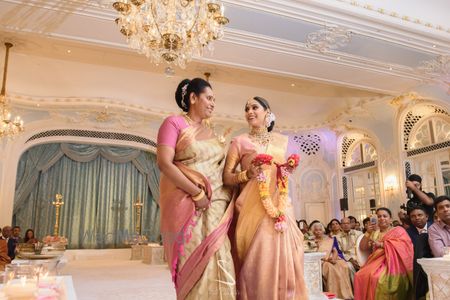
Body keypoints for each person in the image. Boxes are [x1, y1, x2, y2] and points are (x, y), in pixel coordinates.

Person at [157, 78, 235, 299]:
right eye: (209, 98)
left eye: (214, 100)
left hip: (216, 206)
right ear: (193, 98)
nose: (213, 104)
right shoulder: (173, 123)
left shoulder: (211, 133)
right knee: (194, 262)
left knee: (221, 257)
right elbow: (165, 163)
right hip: (188, 206)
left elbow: (220, 170)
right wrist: (197, 192)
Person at [223, 96, 307, 299]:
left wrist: (289, 169)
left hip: (280, 206)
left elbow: (282, 174)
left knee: (288, 255)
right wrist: (247, 174)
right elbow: (226, 177)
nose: (249, 111)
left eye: (254, 107)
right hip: (252, 209)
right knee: (258, 259)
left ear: (267, 112)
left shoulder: (281, 141)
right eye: (246, 108)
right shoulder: (239, 142)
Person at [354, 207, 413, 300]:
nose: (381, 218)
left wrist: (382, 244)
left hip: (395, 263)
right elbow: (363, 247)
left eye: (385, 216)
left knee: (377, 278)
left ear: (391, 219)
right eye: (379, 216)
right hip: (375, 262)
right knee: (359, 275)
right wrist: (368, 233)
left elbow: (404, 247)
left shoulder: (398, 230)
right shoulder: (375, 233)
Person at [310, 222, 353, 300]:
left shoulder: (329, 239)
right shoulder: (311, 241)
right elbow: (313, 253)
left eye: (320, 230)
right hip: (320, 260)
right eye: (316, 230)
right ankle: (333, 295)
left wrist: (333, 258)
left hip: (332, 258)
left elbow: (335, 251)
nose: (318, 231)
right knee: (329, 268)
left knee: (343, 265)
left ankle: (345, 294)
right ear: (313, 231)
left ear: (323, 231)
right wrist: (327, 259)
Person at [336, 217, 363, 282]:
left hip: (360, 256)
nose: (346, 225)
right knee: (349, 266)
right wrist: (351, 260)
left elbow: (363, 248)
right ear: (341, 225)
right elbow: (340, 252)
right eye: (344, 223)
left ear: (350, 224)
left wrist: (359, 259)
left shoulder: (359, 234)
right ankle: (355, 287)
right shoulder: (337, 237)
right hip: (348, 259)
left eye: (348, 223)